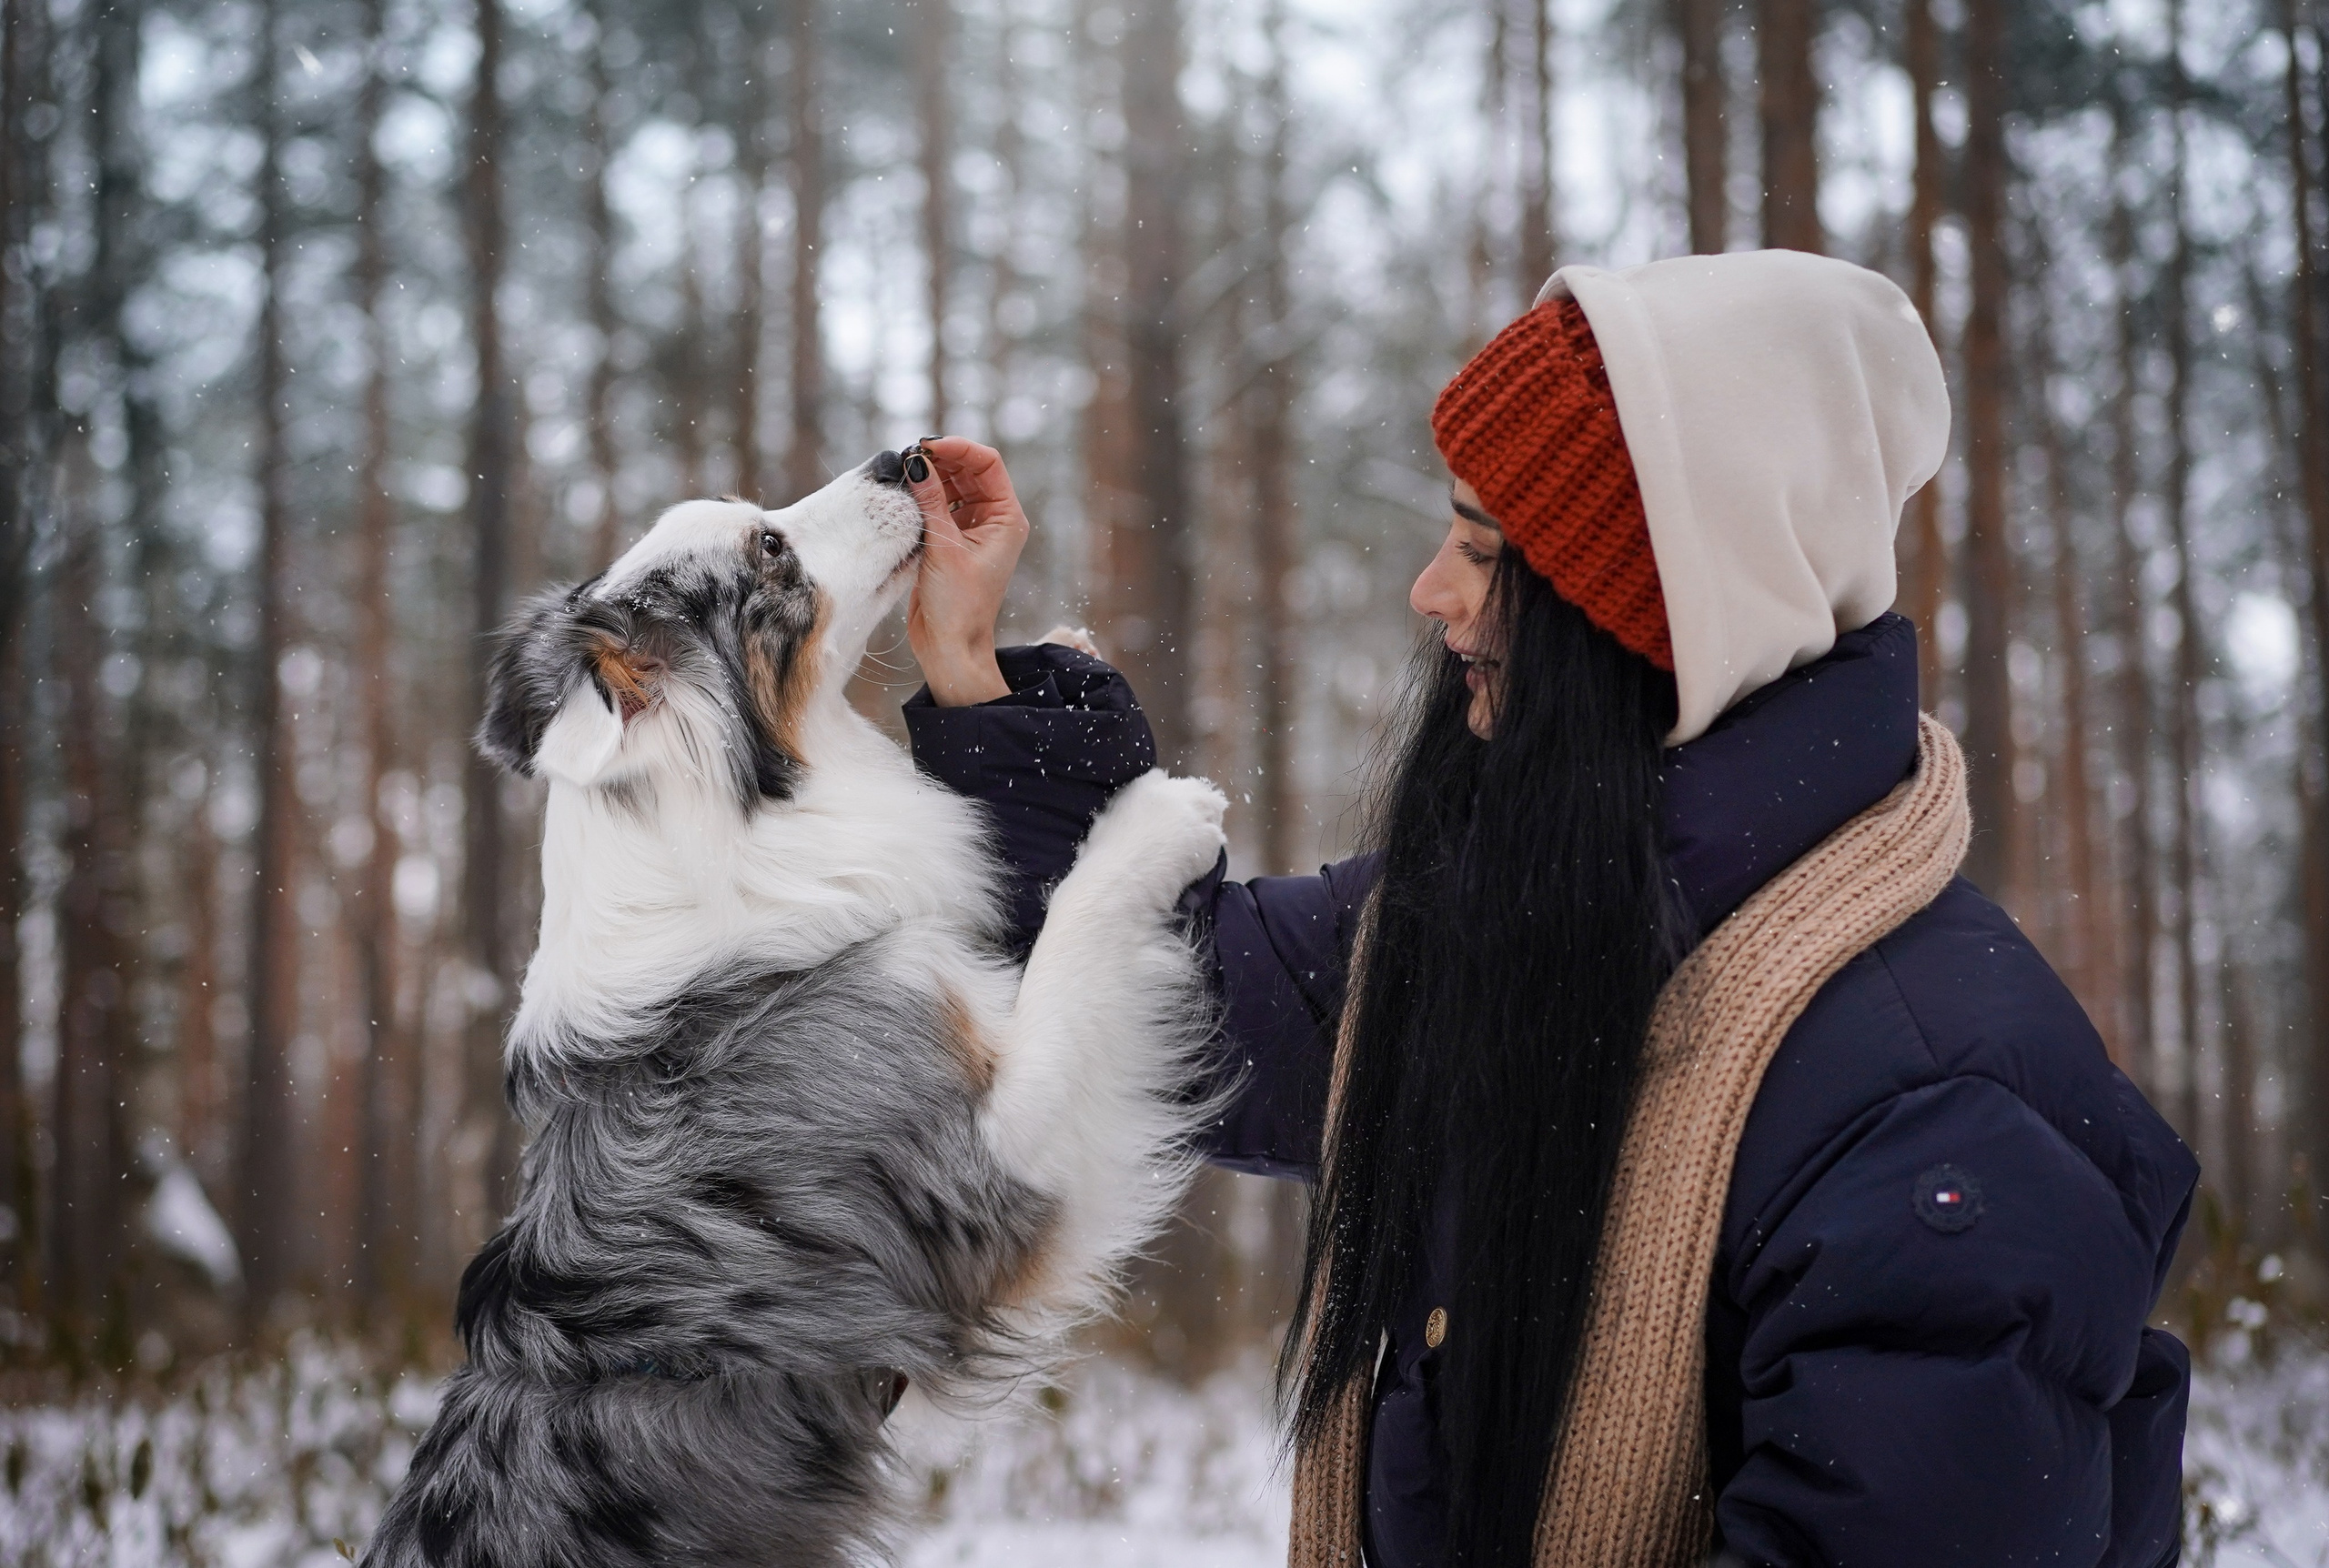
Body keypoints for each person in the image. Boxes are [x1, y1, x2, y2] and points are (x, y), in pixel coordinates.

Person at [898, 250, 2197, 1568]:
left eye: (1482, 548)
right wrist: (972, 676)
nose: (1432, 591)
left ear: (1670, 612)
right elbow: (1164, 994)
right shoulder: (1497, 925)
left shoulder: (1936, 1109)